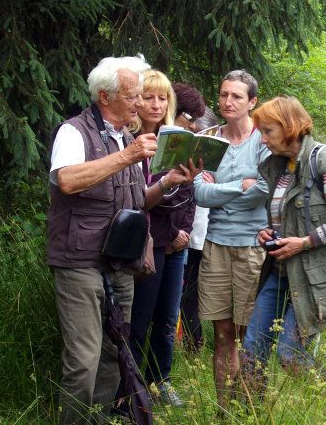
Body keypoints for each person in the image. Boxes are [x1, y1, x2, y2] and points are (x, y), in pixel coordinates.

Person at [47, 55, 198, 425]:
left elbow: (138, 201)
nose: (139, 103)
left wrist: (167, 184)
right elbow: (65, 180)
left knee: (115, 352)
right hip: (79, 260)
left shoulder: (126, 138)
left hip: (121, 260)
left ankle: (97, 420)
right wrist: (127, 156)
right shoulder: (74, 132)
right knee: (83, 358)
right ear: (105, 97)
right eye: (132, 97)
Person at [241, 95, 326, 398]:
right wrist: (270, 232)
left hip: (314, 277)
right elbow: (288, 218)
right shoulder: (279, 167)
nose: (263, 139)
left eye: (268, 131)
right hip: (279, 273)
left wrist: (304, 243)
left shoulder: (324, 160)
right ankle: (248, 414)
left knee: (290, 355)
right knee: (251, 352)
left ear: (289, 127)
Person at [121, 74, 206, 409]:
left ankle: (161, 381)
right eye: (148, 98)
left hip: (176, 244)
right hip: (147, 243)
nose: (156, 106)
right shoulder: (129, 142)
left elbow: (188, 193)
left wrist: (182, 234)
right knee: (139, 320)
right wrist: (170, 235)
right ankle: (131, 390)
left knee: (168, 320)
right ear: (135, 101)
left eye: (162, 99)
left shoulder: (175, 140)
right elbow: (135, 201)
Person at [193, 70, 270, 410]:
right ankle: (227, 411)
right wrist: (240, 185)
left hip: (254, 247)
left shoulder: (264, 139)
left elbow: (267, 191)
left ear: (253, 101)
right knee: (222, 334)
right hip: (216, 245)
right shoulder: (209, 138)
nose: (227, 102)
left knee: (249, 335)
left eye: (237, 96)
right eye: (223, 94)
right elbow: (199, 193)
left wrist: (218, 189)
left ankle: (249, 410)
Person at [180, 107, 219, 353]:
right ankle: (193, 344)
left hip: (207, 235)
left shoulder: (220, 158)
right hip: (189, 236)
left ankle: (201, 344)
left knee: (203, 293)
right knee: (188, 294)